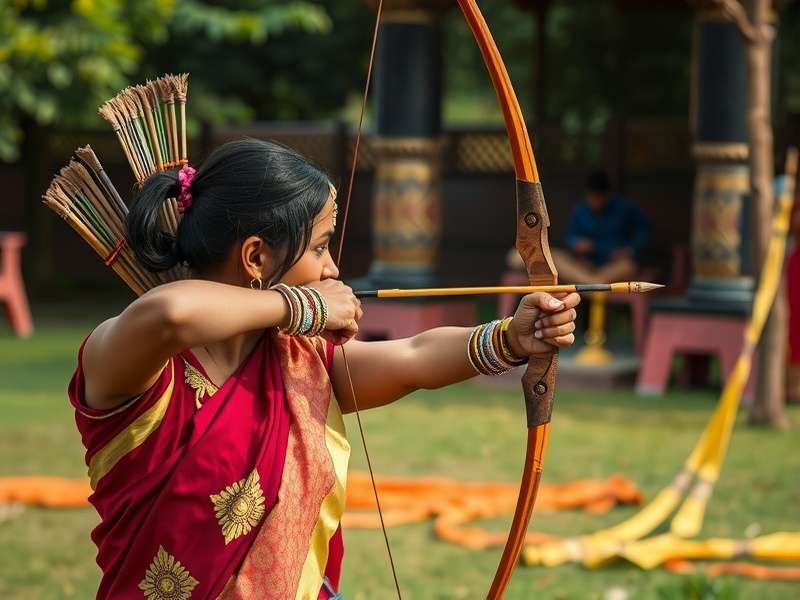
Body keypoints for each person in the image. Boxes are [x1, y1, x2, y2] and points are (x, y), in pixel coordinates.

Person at [69, 139, 580, 599]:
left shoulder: (299, 361)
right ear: (255, 257)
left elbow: (413, 358)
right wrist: (305, 307)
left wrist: (512, 338)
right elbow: (170, 314)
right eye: (318, 247)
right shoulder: (138, 363)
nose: (332, 267)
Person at [507, 170, 649, 283]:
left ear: (608, 195)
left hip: (613, 264)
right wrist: (578, 244)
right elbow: (570, 239)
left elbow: (644, 232)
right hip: (584, 264)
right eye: (593, 197)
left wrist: (629, 250)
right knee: (554, 257)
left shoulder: (625, 208)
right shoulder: (580, 211)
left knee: (628, 266)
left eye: (599, 197)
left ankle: (593, 284)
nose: (596, 202)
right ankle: (593, 284)